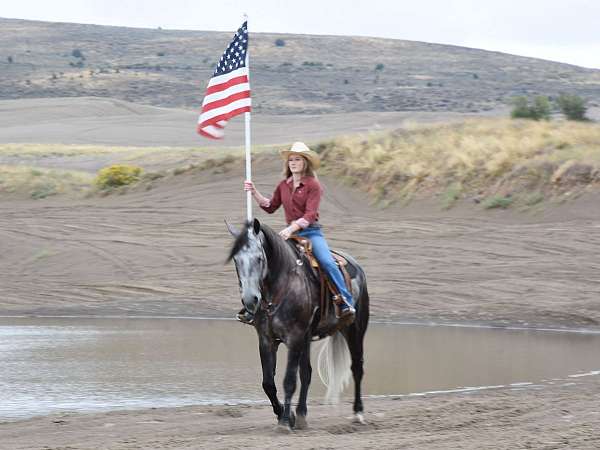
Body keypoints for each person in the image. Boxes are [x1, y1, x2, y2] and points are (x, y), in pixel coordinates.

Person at [237, 141, 355, 324]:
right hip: (289, 235)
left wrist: (291, 228)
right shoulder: (284, 185)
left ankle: (345, 300)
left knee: (326, 262)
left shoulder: (313, 185)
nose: (293, 163)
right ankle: (255, 306)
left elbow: (310, 215)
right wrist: (254, 192)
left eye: (297, 159)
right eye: (291, 160)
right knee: (264, 261)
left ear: (305, 162)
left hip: (311, 233)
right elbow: (270, 206)